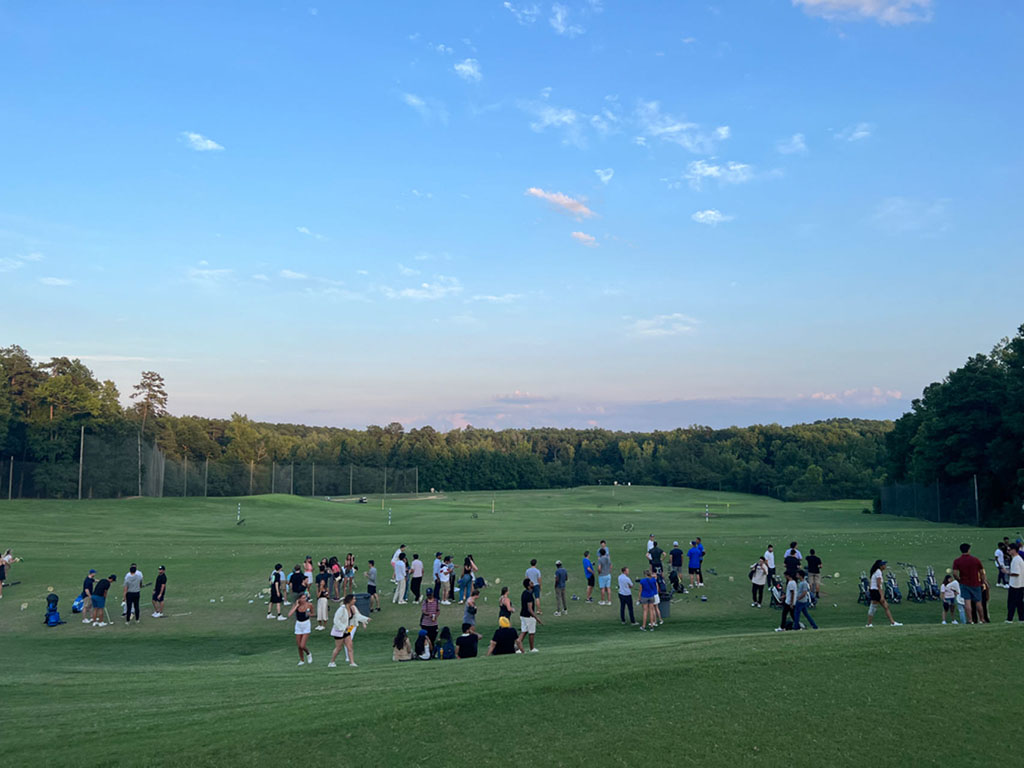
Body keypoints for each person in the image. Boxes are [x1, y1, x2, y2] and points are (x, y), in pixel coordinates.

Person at [328, 593, 370, 668]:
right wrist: (344, 627)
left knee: (350, 646)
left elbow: (357, 616)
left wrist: (365, 619)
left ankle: (352, 662)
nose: (355, 600)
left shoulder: (352, 608)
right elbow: (336, 620)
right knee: (338, 648)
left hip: (347, 631)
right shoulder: (341, 609)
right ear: (349, 600)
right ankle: (332, 662)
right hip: (339, 631)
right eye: (353, 599)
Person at [952, 543, 986, 624]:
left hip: (964, 583)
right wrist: (982, 581)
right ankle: (982, 619)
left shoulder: (957, 561)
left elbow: (955, 574)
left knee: (967, 602)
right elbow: (982, 572)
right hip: (975, 583)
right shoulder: (975, 560)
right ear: (969, 550)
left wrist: (959, 580)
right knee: (978, 602)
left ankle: (970, 620)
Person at [865, 560, 902, 627]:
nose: (885, 566)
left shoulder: (876, 572)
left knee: (878, 607)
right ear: (881, 566)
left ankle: (869, 623)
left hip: (873, 591)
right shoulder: (878, 572)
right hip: (876, 591)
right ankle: (892, 622)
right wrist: (882, 596)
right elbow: (879, 585)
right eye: (884, 565)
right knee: (882, 606)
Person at [288, 593, 313, 666]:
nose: (304, 599)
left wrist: (309, 615)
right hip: (298, 624)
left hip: (306, 624)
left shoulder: (309, 605)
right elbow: (289, 614)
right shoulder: (296, 605)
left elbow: (312, 613)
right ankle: (302, 660)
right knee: (299, 645)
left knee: (302, 645)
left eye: (305, 598)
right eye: (302, 598)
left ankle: (308, 653)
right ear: (299, 599)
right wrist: (296, 606)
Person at [520, 577, 542, 652]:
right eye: (531, 583)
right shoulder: (529, 595)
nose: (533, 584)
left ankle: (518, 647)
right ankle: (532, 648)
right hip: (529, 616)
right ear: (528, 585)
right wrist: (536, 618)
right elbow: (530, 609)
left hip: (523, 615)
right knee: (531, 632)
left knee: (524, 631)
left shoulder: (524, 593)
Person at [1006, 543, 1024, 623]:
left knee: (1011, 602)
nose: (1008, 551)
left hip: (1015, 585)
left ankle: (1010, 619)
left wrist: (1007, 572)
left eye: (1009, 550)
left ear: (1014, 550)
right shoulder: (1018, 559)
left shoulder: (1016, 560)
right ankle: (1021, 618)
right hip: (1020, 584)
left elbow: (1016, 573)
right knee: (1019, 602)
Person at [314, 565, 330, 631]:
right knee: (319, 612)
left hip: (324, 600)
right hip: (320, 600)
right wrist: (320, 590)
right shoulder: (318, 589)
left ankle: (324, 625)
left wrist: (326, 594)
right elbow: (317, 596)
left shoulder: (326, 589)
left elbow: (328, 596)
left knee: (324, 612)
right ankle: (319, 624)